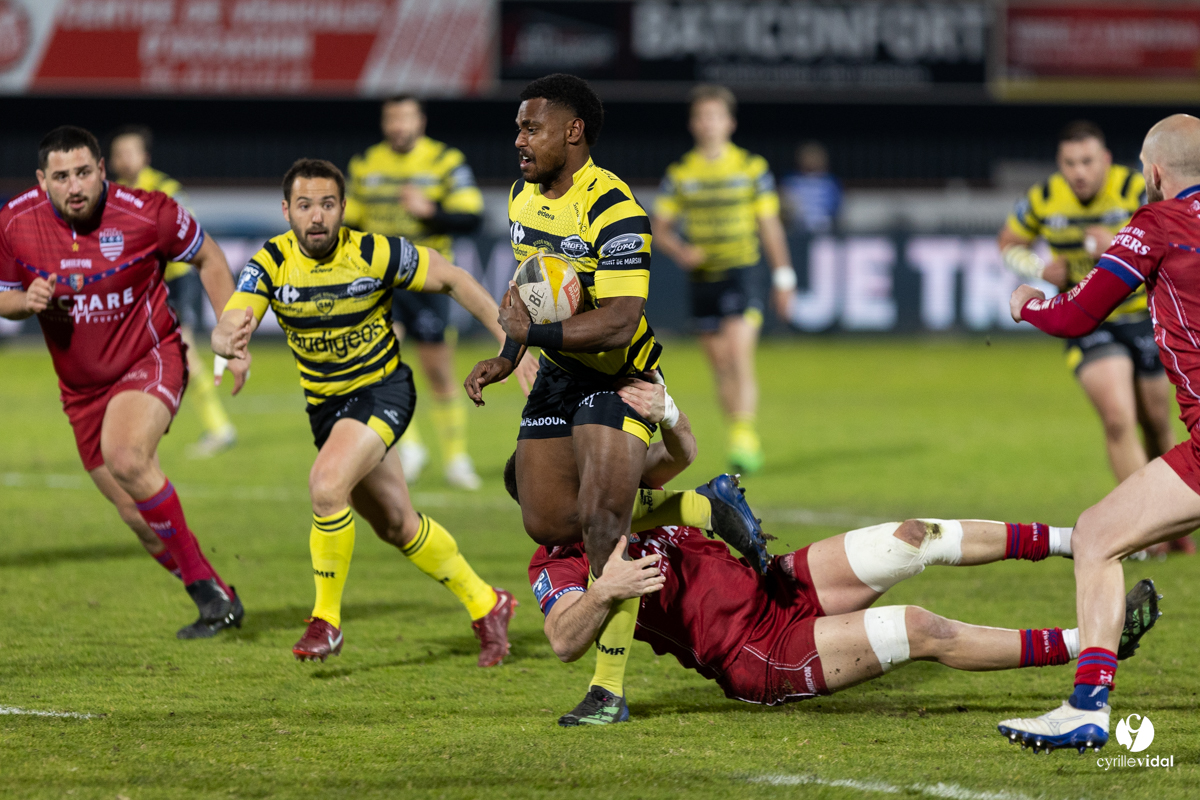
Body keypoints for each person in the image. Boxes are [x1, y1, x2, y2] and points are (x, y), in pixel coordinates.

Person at [509, 379, 1159, 722]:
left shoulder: (615, 498)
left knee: (915, 535)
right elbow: (564, 640)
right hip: (756, 654)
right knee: (920, 627)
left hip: (776, 585)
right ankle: (1090, 642)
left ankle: (1081, 542)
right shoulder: (558, 561)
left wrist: (669, 408)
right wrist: (605, 590)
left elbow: (682, 452)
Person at [464, 73, 770, 725]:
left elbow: (621, 320)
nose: (519, 138)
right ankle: (697, 503)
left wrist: (530, 333)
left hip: (618, 374)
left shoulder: (615, 208)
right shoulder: (521, 196)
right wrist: (509, 356)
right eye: (518, 126)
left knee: (603, 527)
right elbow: (527, 292)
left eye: (531, 127)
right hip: (558, 372)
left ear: (573, 132)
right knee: (547, 521)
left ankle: (608, 691)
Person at [212, 158, 532, 666]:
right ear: (286, 211)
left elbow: (453, 278)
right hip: (329, 411)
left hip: (383, 392)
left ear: (342, 208)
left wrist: (511, 345)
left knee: (325, 486)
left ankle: (327, 622)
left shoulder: (371, 251)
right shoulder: (271, 260)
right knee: (397, 525)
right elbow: (233, 315)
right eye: (304, 206)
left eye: (327, 205)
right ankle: (488, 602)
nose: (316, 217)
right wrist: (228, 338)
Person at [999, 113, 1200, 753]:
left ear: (1154, 172)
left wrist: (1026, 302)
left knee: (1097, 537)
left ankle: (1087, 707)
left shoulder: (1157, 222)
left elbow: (1076, 314)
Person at [0, 126, 248, 638]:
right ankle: (219, 595)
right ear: (42, 180)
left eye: (84, 173)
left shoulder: (148, 212)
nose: (75, 186)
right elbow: (2, 295)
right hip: (81, 390)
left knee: (129, 456)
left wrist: (230, 328)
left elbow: (209, 257)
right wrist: (26, 302)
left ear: (102, 171)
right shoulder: (14, 223)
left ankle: (205, 594)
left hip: (150, 356)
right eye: (63, 176)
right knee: (136, 516)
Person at [998, 123, 1182, 542]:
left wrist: (1118, 240)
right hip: (1087, 320)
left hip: (1142, 316)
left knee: (1157, 422)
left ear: (1104, 160)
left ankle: (1173, 522)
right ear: (1059, 165)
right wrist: (1039, 269)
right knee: (1118, 420)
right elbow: (1008, 241)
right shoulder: (1043, 199)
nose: (1078, 172)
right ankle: (1145, 533)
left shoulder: (1135, 187)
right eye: (1069, 163)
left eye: (1086, 162)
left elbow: (1174, 231)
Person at [652, 85, 797, 474]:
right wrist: (681, 251)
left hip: (742, 272)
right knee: (719, 364)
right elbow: (660, 227)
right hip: (703, 279)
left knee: (737, 353)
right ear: (693, 124)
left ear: (729, 122)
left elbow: (769, 226)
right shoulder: (682, 174)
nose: (709, 124)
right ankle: (738, 430)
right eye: (702, 117)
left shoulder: (751, 168)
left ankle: (744, 436)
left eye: (715, 116)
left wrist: (784, 277)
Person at [345, 96, 485, 489]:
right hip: (381, 281)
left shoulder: (444, 161)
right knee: (377, 367)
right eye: (391, 118)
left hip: (429, 279)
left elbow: (473, 217)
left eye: (405, 118)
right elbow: (351, 221)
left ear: (420, 121)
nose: (398, 126)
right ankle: (410, 446)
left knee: (439, 372)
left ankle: (456, 458)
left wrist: (432, 212)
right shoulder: (365, 163)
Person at [108, 125, 238, 458]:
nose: (123, 159)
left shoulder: (164, 190)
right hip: (145, 284)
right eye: (118, 153)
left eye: (130, 152)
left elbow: (188, 234)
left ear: (145, 157)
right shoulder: (112, 196)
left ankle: (219, 427)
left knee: (185, 353)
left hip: (178, 281)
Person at [780, 141, 842, 235]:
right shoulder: (791, 181)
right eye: (808, 156)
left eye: (815, 156)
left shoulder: (830, 182)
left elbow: (836, 208)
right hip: (796, 231)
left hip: (824, 231)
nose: (811, 160)